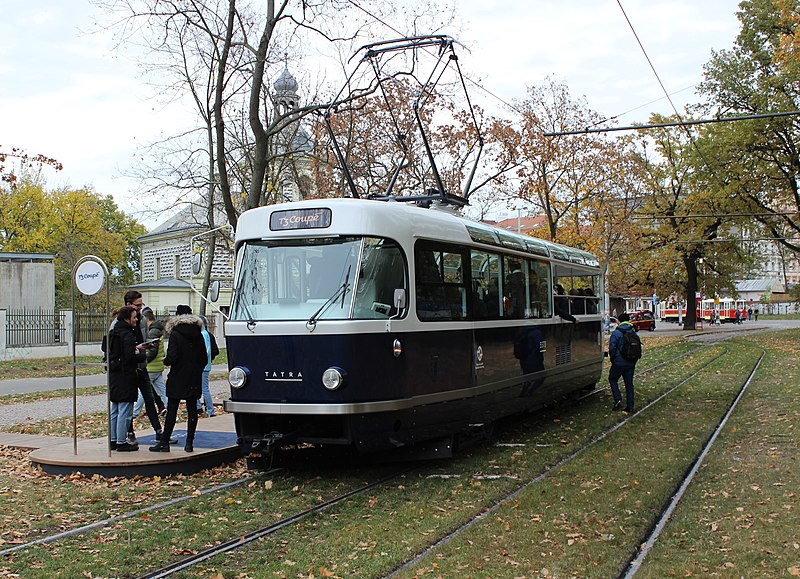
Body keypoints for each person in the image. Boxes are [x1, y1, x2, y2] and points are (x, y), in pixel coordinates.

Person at [150, 305, 208, 453]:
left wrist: (166, 361)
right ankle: (189, 443)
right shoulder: (199, 333)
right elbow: (203, 357)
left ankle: (164, 442)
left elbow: (172, 356)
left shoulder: (175, 334)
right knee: (192, 409)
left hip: (177, 376)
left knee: (172, 409)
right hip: (193, 376)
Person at [107, 306, 150, 452]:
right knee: (125, 410)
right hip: (126, 376)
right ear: (127, 318)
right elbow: (129, 357)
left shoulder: (113, 332)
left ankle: (113, 440)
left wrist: (134, 348)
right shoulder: (127, 334)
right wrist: (142, 354)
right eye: (134, 317)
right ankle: (121, 442)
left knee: (115, 409)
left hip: (114, 374)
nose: (136, 319)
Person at [608, 312, 638, 413]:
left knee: (612, 379)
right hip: (631, 362)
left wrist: (613, 359)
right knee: (629, 383)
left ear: (619, 321)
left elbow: (612, 349)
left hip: (619, 363)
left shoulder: (616, 333)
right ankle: (630, 405)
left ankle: (618, 400)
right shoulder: (633, 332)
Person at [142, 307, 169, 411]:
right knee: (163, 390)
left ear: (147, 319)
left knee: (143, 391)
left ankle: (134, 412)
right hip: (158, 365)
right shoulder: (158, 330)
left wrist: (144, 360)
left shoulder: (152, 332)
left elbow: (152, 351)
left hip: (151, 367)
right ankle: (169, 408)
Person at [196, 314, 220, 417]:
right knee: (198, 386)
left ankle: (210, 410)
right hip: (203, 365)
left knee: (204, 388)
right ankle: (199, 407)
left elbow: (206, 351)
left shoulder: (203, 334)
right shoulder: (203, 334)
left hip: (202, 366)